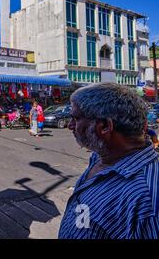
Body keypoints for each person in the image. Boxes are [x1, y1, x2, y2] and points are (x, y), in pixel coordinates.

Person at [59, 83, 159, 239]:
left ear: (105, 126)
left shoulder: (147, 199)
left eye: (76, 118)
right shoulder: (100, 156)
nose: (70, 125)